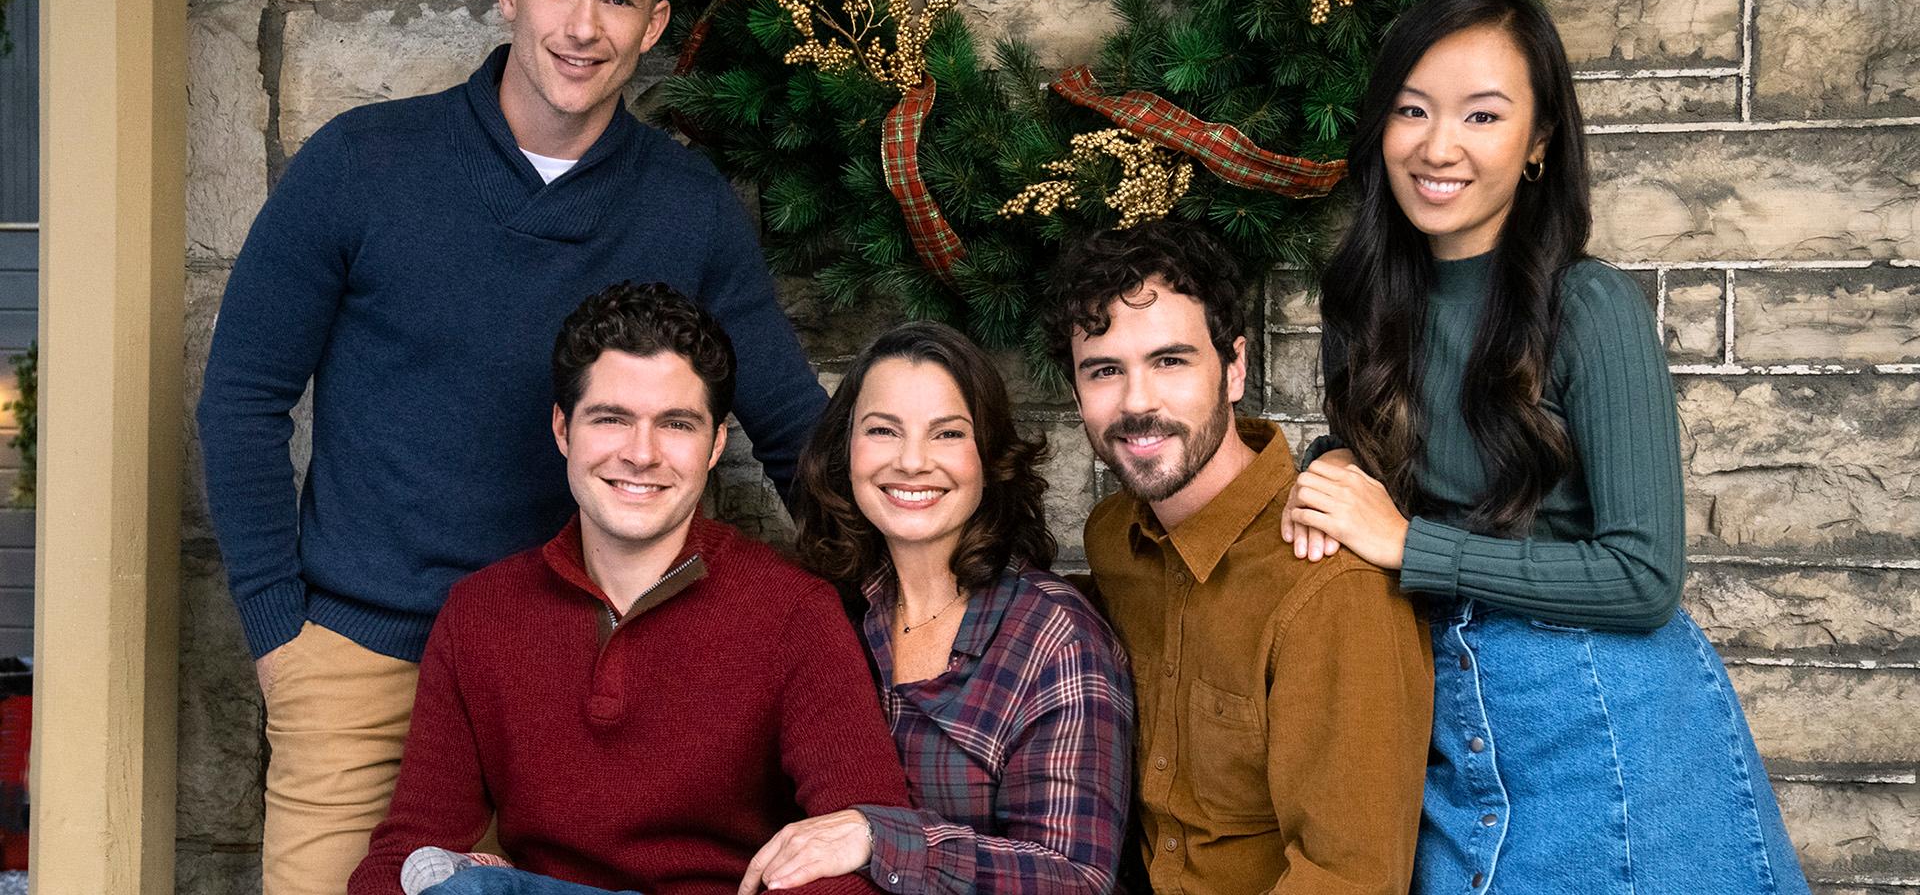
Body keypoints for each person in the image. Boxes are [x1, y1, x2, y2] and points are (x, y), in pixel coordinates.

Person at [195, 0, 828, 895]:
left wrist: (899, 602)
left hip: (585, 677)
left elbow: (794, 426)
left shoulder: (688, 209)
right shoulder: (361, 164)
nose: (582, 27)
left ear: (654, 23)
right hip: (365, 667)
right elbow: (241, 398)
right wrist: (281, 636)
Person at [1280, 0, 1810, 894]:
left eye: (1482, 116)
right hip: (1450, 719)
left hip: (1609, 719)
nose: (1438, 147)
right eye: (1412, 109)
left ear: (1538, 142)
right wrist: (1327, 468)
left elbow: (1644, 576)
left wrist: (1410, 545)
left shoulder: (1589, 307)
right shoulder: (1362, 302)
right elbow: (1388, 473)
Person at [347, 281, 909, 895]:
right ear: (564, 429)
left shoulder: (794, 614)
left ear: (716, 444)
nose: (642, 454)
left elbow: (865, 846)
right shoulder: (480, 612)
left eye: (676, 424)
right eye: (611, 419)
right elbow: (407, 851)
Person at [1040, 222, 1433, 894]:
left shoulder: (1332, 587)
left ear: (1234, 369)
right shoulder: (1115, 537)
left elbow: (1349, 879)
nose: (1137, 402)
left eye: (1170, 361)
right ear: (1077, 395)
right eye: (1105, 370)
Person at [734, 322, 1134, 895]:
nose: (912, 461)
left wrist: (876, 838)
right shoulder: (826, 606)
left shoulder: (1055, 638)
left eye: (947, 433)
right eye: (883, 430)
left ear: (988, 456)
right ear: (846, 449)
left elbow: (1076, 878)